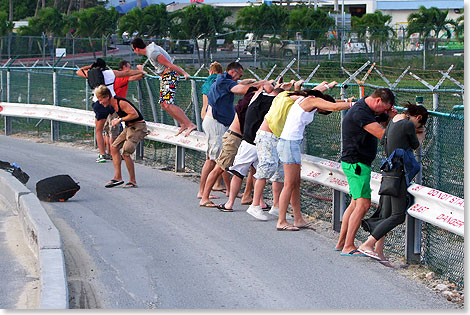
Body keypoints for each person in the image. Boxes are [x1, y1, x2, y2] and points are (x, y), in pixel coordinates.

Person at [247, 80, 336, 221]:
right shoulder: (292, 99)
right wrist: (325, 87)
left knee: (279, 174)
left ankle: (276, 206)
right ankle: (255, 204)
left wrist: (326, 86)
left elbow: (314, 93)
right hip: (268, 136)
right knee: (266, 169)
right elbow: (313, 96)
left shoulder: (288, 97)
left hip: (278, 137)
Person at [358, 103, 427, 266]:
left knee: (386, 214)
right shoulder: (409, 124)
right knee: (397, 216)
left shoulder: (392, 123)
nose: (419, 126)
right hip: (398, 175)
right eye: (421, 123)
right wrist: (422, 133)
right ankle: (367, 244)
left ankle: (379, 251)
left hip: (387, 173)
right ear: (418, 118)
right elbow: (416, 145)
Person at [276, 90, 353, 231]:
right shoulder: (311, 101)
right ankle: (281, 221)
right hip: (289, 144)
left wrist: (346, 101)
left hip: (292, 143)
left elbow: (332, 103)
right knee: (289, 184)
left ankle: (298, 219)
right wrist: (352, 104)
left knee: (295, 184)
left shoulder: (307, 100)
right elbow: (333, 106)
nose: (319, 111)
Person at [334, 88, 396, 256]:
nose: (384, 112)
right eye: (384, 108)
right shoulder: (361, 113)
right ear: (377, 101)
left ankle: (341, 243)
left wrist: (388, 116)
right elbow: (383, 135)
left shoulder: (367, 109)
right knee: (363, 205)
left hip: (355, 162)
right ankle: (348, 246)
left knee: (355, 204)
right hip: (357, 163)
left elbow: (382, 121)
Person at [198, 62, 265, 206]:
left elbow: (242, 84)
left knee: (218, 161)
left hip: (219, 123)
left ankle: (215, 192)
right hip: (217, 123)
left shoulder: (222, 79)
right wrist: (262, 85)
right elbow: (242, 88)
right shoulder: (225, 82)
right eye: (239, 75)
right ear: (233, 72)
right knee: (216, 162)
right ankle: (204, 195)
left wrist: (257, 82)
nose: (240, 78)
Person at [218, 80, 292, 212]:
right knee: (259, 174)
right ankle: (260, 202)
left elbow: (264, 87)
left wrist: (272, 85)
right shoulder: (277, 105)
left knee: (238, 173)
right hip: (264, 143)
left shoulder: (256, 97)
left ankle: (229, 203)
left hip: (248, 141)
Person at [76, 58, 145, 163]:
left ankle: (102, 154)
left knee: (99, 130)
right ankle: (113, 152)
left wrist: (90, 66)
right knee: (113, 129)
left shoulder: (90, 74)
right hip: (112, 101)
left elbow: (79, 71)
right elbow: (126, 72)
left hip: (99, 103)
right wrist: (141, 71)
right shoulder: (110, 73)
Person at [131, 37, 197, 137]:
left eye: (133, 49)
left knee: (167, 103)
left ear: (136, 48)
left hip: (169, 76)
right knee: (163, 104)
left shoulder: (152, 53)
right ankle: (182, 123)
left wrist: (184, 73)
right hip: (165, 77)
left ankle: (189, 124)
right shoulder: (150, 51)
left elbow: (169, 64)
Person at [94, 85, 148, 189]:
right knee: (114, 147)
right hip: (129, 127)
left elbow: (135, 114)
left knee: (126, 153)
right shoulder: (112, 105)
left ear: (107, 97)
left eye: (101, 100)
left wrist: (119, 120)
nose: (100, 102)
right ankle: (117, 177)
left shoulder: (120, 102)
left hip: (138, 127)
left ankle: (133, 181)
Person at [103, 60, 145, 160]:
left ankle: (108, 152)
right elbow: (137, 77)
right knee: (113, 130)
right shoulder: (120, 78)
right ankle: (111, 153)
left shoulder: (112, 78)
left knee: (107, 130)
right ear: (124, 67)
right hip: (116, 107)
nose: (130, 70)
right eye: (128, 67)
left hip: (109, 105)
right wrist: (141, 71)